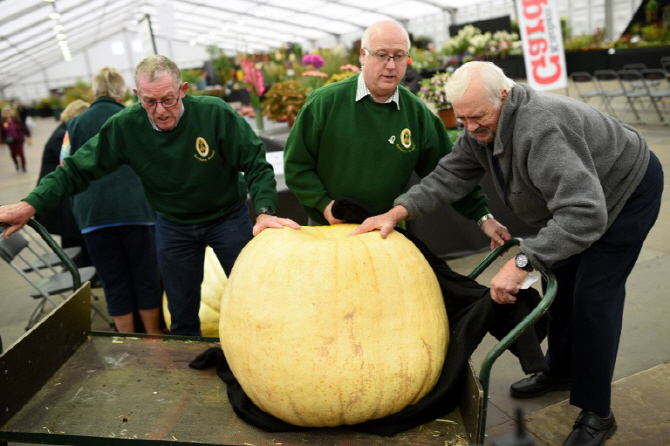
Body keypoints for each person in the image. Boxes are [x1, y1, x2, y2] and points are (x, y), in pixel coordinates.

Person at [351, 61, 663, 446]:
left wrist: (522, 262)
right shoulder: (480, 127)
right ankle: (560, 370)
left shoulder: (541, 126)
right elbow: (450, 175)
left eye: (477, 117)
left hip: (625, 191)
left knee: (594, 297)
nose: (470, 128)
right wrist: (399, 210)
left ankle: (597, 412)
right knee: (562, 284)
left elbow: (585, 213)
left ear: (504, 94)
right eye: (461, 119)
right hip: (579, 201)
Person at [0, 55, 300, 336]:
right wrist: (30, 205)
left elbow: (255, 163)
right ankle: (188, 373)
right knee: (181, 312)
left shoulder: (214, 114)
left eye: (168, 100)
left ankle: (265, 347)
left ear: (182, 90)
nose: (159, 111)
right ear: (135, 95)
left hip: (227, 217)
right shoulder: (126, 126)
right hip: (174, 225)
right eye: (149, 102)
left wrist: (264, 210)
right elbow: (76, 169)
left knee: (253, 294)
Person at [283, 19, 509, 242]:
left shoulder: (416, 113)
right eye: (382, 55)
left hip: (384, 231)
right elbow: (297, 165)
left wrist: (483, 216)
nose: (391, 65)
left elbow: (451, 172)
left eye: (399, 56)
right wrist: (324, 205)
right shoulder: (325, 103)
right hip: (328, 230)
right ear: (363, 55)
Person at [64, 67, 162, 334]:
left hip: (94, 216)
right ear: (121, 91)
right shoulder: (133, 117)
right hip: (137, 211)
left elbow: (65, 166)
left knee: (113, 281)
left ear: (95, 91)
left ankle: (126, 343)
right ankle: (154, 339)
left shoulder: (74, 124)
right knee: (146, 277)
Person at [35, 99, 91, 266]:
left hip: (58, 199)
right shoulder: (63, 136)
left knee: (73, 240)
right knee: (75, 239)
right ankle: (80, 277)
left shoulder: (63, 130)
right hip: (57, 200)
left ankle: (79, 274)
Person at [1, 106, 31, 172]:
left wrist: (28, 135)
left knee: (21, 153)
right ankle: (16, 164)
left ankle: (23, 167)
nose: (7, 114)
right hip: (10, 141)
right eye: (6, 113)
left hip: (18, 139)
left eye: (9, 112)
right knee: (13, 154)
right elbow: (2, 132)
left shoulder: (16, 120)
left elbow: (22, 127)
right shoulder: (3, 122)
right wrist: (1, 142)